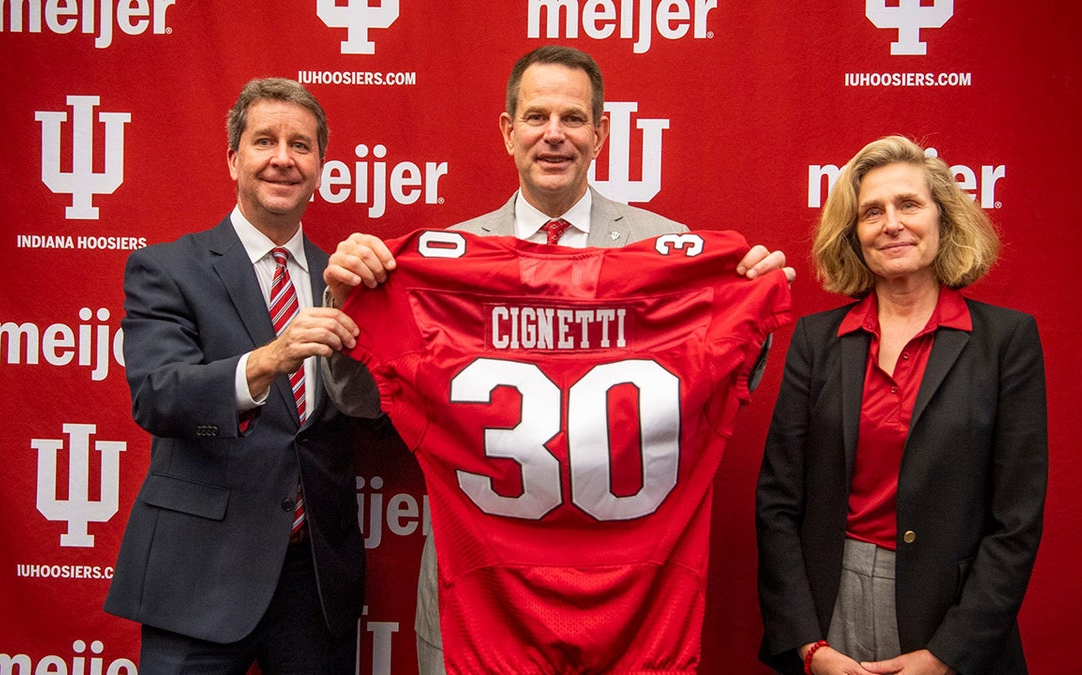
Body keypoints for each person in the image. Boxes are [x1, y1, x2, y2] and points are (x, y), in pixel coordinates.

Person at [321, 46, 795, 673]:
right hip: (479, 597)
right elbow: (359, 402)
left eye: (573, 119)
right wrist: (350, 302)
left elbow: (717, 391)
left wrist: (748, 308)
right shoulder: (444, 261)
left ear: (601, 134)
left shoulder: (665, 249)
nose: (554, 135)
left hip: (629, 604)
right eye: (537, 116)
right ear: (507, 130)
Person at [104, 77, 370, 674]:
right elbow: (157, 395)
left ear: (321, 164)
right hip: (198, 576)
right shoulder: (167, 268)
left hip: (316, 584)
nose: (283, 158)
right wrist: (270, 358)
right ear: (233, 158)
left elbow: (374, 415)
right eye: (265, 141)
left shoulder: (343, 280)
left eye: (301, 145)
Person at [755, 135, 1047, 675]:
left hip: (952, 620)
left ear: (943, 219)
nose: (891, 223)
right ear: (854, 234)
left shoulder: (1006, 341)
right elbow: (777, 502)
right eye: (872, 212)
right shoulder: (816, 341)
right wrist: (807, 645)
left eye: (909, 204)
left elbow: (1017, 522)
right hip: (830, 609)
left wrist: (947, 655)